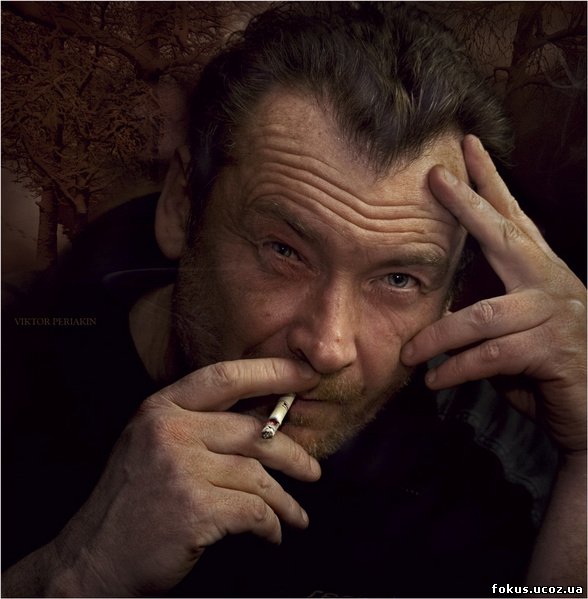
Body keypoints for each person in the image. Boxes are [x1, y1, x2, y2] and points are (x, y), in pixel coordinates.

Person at [2, 3, 586, 597]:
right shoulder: (17, 368)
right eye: (284, 251)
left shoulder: (488, 467)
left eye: (398, 279)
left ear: (451, 295)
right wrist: (81, 572)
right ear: (182, 205)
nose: (328, 347)